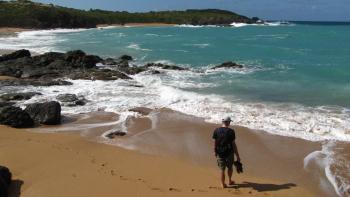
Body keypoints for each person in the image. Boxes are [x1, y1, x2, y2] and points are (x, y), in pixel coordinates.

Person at [212, 117, 241, 188]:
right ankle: (230, 181)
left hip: (219, 152)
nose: (230, 123)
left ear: (223, 122)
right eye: (230, 122)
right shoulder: (231, 131)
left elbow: (215, 142)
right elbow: (233, 144)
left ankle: (222, 184)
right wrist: (237, 155)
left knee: (222, 169)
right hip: (229, 153)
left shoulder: (216, 130)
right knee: (230, 168)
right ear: (228, 122)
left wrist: (215, 151)